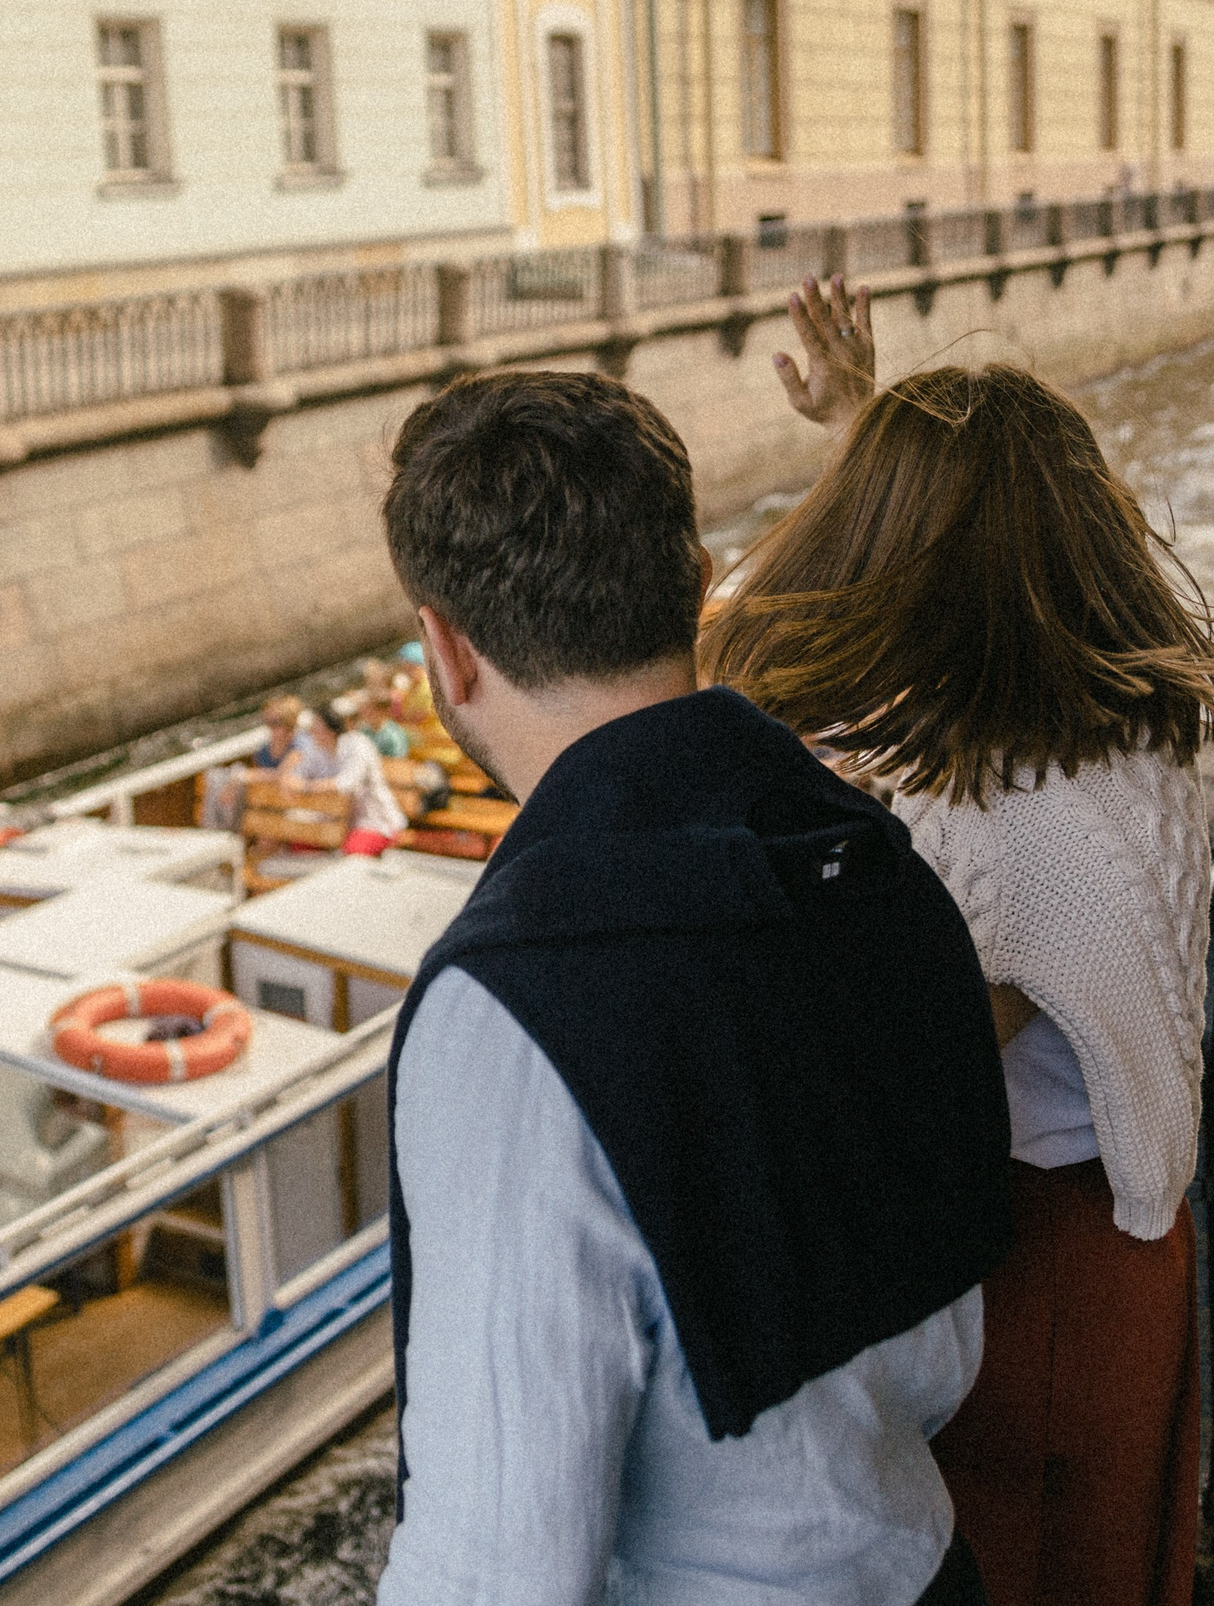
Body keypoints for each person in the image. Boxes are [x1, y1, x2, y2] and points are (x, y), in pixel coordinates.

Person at [374, 369, 1013, 1605]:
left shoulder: (511, 1007)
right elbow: (939, 1361)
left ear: (447, 651)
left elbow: (500, 1565)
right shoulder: (869, 854)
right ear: (698, 582)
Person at [702, 277, 1214, 1606]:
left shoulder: (986, 810)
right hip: (1129, 1256)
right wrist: (863, 427)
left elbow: (915, 1055)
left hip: (1017, 1276)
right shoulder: (1120, 728)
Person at [283, 700, 408, 858]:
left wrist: (305, 786)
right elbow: (296, 776)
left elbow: (346, 784)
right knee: (299, 841)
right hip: (334, 822)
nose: (312, 730)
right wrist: (288, 776)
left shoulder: (358, 745)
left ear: (331, 727)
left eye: (316, 725)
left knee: (351, 853)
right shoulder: (316, 749)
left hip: (374, 822)